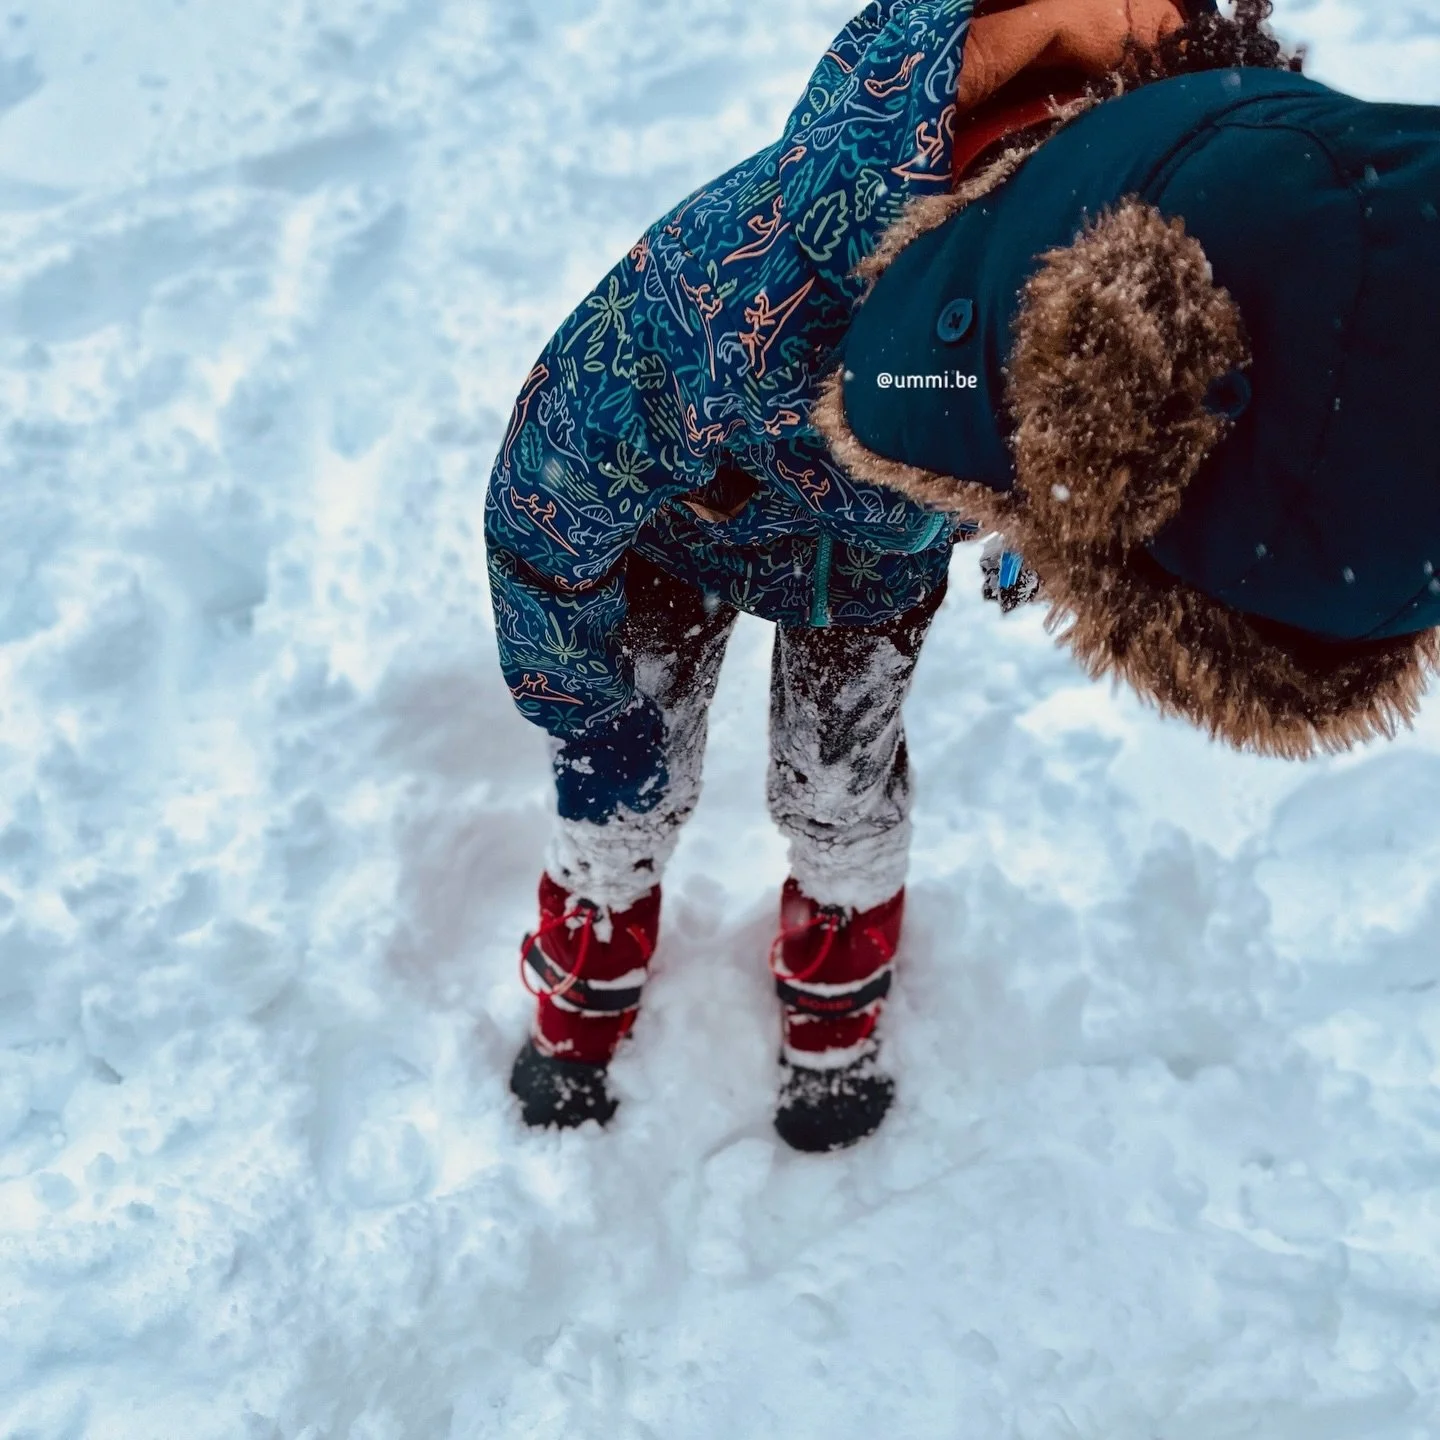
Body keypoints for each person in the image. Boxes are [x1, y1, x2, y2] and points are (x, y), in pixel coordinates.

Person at [485, 0, 1440, 1150]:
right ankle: (588, 970)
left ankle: (835, 994)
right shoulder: (731, 303)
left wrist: (1048, 525)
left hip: (871, 565)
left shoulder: (1115, 293)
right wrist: (579, 703)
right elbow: (544, 497)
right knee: (628, 776)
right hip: (679, 535)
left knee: (841, 783)